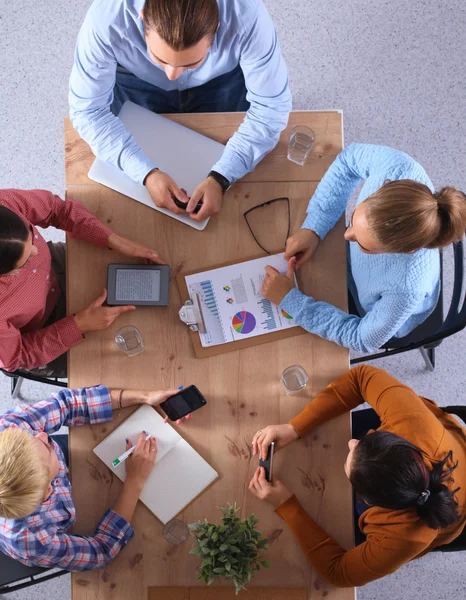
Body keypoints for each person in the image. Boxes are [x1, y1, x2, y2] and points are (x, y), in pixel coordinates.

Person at [69, 0, 292, 222]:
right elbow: (89, 111)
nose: (172, 75)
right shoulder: (106, 19)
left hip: (220, 81)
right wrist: (145, 173)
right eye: (160, 59)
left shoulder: (248, 16)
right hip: (135, 80)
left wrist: (223, 176)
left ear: (215, 28)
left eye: (190, 63)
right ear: (143, 17)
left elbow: (271, 108)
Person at [248, 365, 466, 587]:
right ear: (394, 438)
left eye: (352, 453)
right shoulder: (414, 423)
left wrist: (287, 505)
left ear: (368, 502)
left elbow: (338, 573)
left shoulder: (404, 537)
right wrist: (294, 428)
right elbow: (361, 376)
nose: (352, 442)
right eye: (363, 443)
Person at [261, 143, 466, 353]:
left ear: (405, 251)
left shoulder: (406, 289)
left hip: (375, 309)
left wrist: (292, 302)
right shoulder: (399, 167)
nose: (346, 235)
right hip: (358, 276)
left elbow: (362, 339)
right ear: (384, 186)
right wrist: (315, 227)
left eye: (362, 244)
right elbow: (348, 160)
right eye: (353, 219)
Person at [0, 383, 182, 570]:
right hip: (74, 518)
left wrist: (145, 395)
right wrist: (135, 481)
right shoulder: (32, 542)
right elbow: (101, 551)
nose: (43, 435)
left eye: (30, 437)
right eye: (47, 448)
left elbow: (67, 404)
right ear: (47, 491)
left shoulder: (10, 428)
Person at [0, 188, 165, 376]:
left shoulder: (4, 203)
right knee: (128, 368)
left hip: (55, 266)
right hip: (44, 332)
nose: (36, 251)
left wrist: (114, 241)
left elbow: (57, 209)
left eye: (31, 237)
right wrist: (79, 325)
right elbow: (18, 357)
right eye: (24, 262)